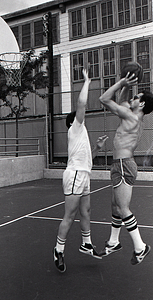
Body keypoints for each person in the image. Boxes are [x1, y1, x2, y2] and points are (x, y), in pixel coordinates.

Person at [53, 69, 108, 273]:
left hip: (83, 174)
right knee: (70, 215)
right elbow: (81, 104)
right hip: (75, 175)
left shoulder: (80, 134)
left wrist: (97, 149)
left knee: (86, 211)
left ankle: (86, 243)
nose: (82, 116)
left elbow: (87, 160)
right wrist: (87, 81)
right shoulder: (74, 127)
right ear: (73, 121)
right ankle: (58, 250)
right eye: (78, 116)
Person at [99, 71, 153, 265]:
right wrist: (127, 87)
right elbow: (122, 102)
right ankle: (114, 241)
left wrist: (121, 82)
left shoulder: (131, 117)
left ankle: (140, 247)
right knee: (115, 206)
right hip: (121, 164)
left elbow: (104, 99)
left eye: (136, 97)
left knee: (123, 207)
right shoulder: (134, 117)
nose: (132, 98)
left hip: (123, 165)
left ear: (143, 104)